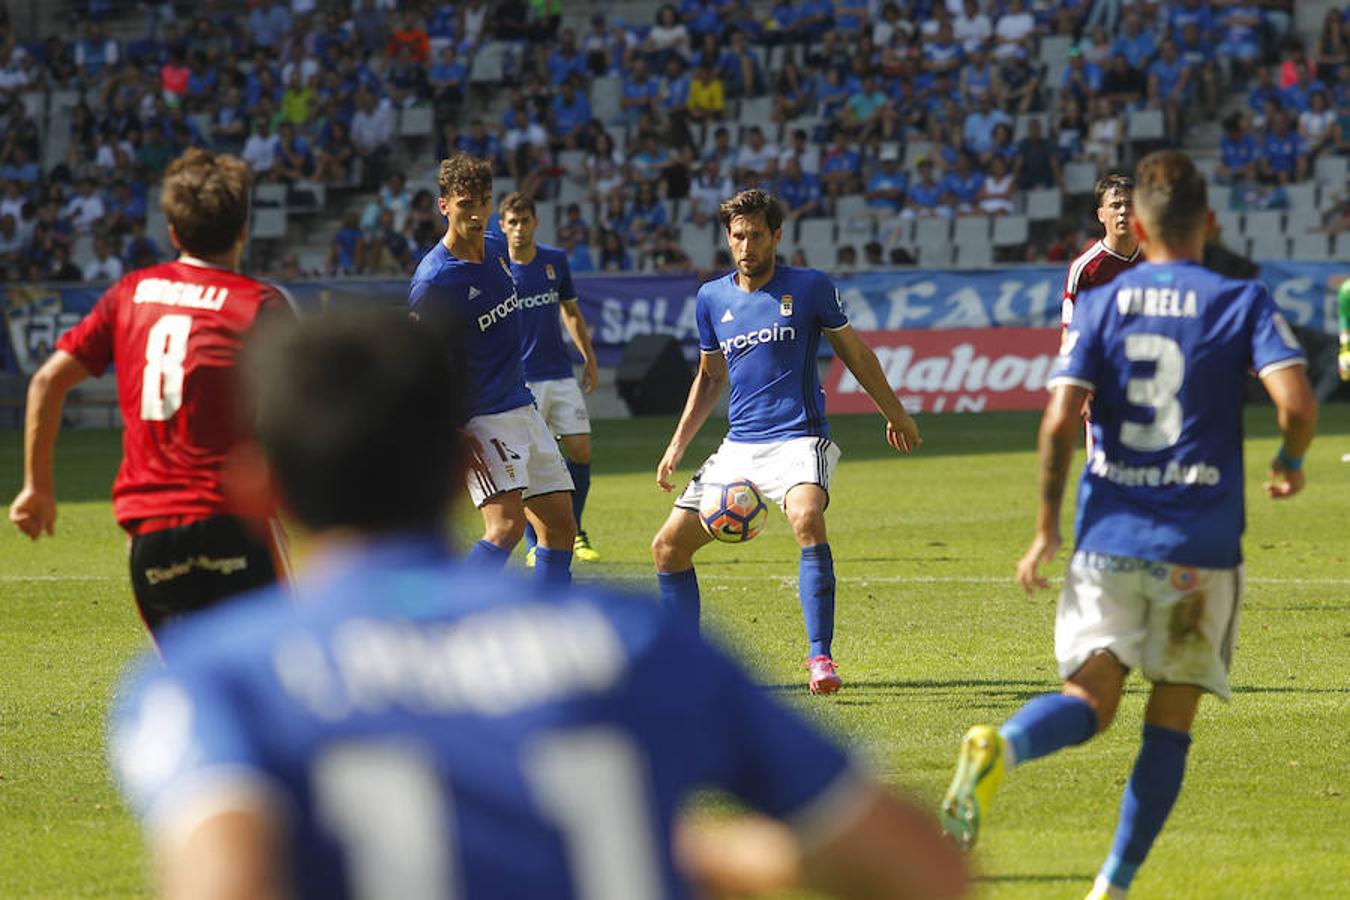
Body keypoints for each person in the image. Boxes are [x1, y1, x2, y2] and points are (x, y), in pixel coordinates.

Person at [106, 312, 971, 900]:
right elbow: (924, 868)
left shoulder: (209, 682)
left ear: (262, 488)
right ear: (459, 475)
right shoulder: (632, 641)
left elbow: (226, 873)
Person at [939, 151, 1317, 899]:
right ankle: (1111, 886)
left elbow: (1056, 425)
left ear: (1137, 222)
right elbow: (1298, 405)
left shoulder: (1105, 302)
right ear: (1209, 221)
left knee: (1091, 700)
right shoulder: (1240, 300)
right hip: (1198, 550)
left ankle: (1003, 747)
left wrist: (1047, 527)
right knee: (1168, 722)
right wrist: (1290, 460)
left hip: (1107, 538)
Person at [8, 149, 293, 638]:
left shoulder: (131, 293)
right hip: (234, 519)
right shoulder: (261, 305)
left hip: (153, 533)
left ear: (174, 233)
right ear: (244, 229)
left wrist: (37, 486)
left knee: (191, 689)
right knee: (279, 677)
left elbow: (46, 381)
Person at [652, 189, 923, 695]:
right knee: (667, 548)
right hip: (739, 447)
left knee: (806, 516)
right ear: (727, 239)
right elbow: (710, 378)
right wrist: (678, 444)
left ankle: (820, 657)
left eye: (756, 235)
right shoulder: (712, 298)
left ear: (776, 236)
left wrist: (896, 412)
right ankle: (686, 665)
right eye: (737, 236)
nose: (746, 245)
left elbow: (857, 355)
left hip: (800, 438)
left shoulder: (811, 287)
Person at [408, 153, 577, 586]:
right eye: (466, 203)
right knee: (505, 529)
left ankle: (545, 623)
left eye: (483, 200)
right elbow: (419, 360)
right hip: (480, 418)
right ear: (443, 205)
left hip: (523, 406)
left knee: (560, 528)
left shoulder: (500, 252)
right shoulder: (434, 280)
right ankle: (450, 617)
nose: (477, 212)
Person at [498, 191, 603, 566]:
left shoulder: (554, 261)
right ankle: (534, 541)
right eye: (512, 222)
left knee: (581, 449)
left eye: (525, 220)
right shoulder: (497, 267)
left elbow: (571, 311)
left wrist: (588, 358)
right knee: (527, 465)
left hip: (559, 373)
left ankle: (575, 529)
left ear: (535, 222)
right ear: (502, 226)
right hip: (520, 382)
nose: (519, 228)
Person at [1063, 174, 1140, 329]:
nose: (1123, 210)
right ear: (1101, 215)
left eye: (1129, 204)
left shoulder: (1156, 259)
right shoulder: (1084, 268)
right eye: (1115, 205)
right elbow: (1070, 330)